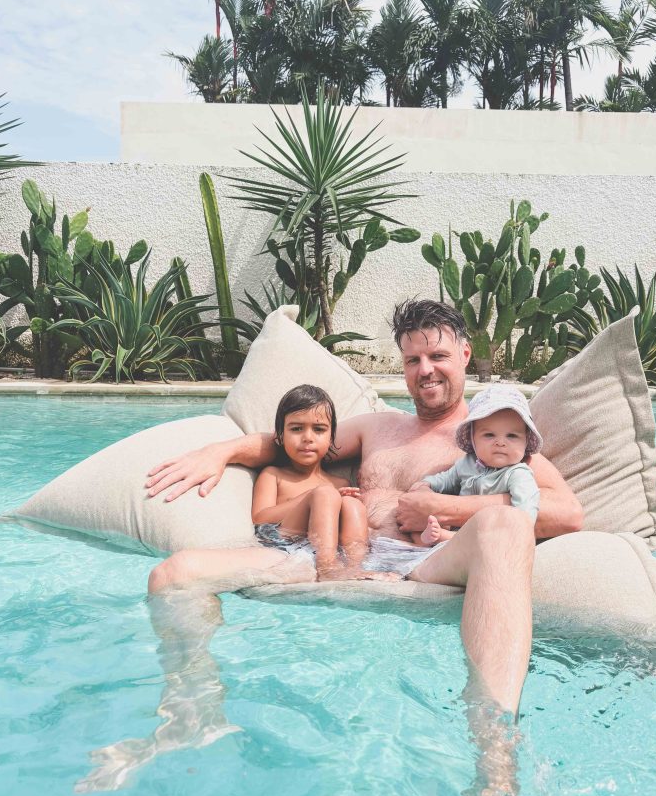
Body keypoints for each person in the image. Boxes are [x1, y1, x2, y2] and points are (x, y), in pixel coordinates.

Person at [145, 299, 584, 719]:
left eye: (438, 356)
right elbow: (297, 439)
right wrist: (222, 451)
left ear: (465, 355)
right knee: (175, 574)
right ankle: (191, 708)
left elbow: (566, 512)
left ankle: (494, 741)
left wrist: (445, 507)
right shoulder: (379, 427)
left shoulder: (491, 436)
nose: (425, 370)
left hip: (424, 561)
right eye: (413, 360)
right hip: (335, 554)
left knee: (504, 524)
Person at [252, 383, 393, 583]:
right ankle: (327, 567)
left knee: (352, 504)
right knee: (325, 494)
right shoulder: (273, 474)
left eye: (318, 429)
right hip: (283, 541)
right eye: (296, 429)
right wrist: (309, 496)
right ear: (281, 435)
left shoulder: (339, 482)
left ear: (330, 437)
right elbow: (260, 518)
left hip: (321, 545)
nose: (307, 438)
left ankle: (355, 566)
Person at [412, 385, 542, 548]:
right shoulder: (467, 464)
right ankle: (442, 539)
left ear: (526, 440)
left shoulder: (517, 474)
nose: (500, 442)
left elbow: (526, 508)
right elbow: (446, 479)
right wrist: (427, 484)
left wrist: (520, 534)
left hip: (493, 538)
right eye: (489, 435)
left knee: (486, 538)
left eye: (512, 436)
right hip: (461, 531)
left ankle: (444, 538)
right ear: (473, 439)